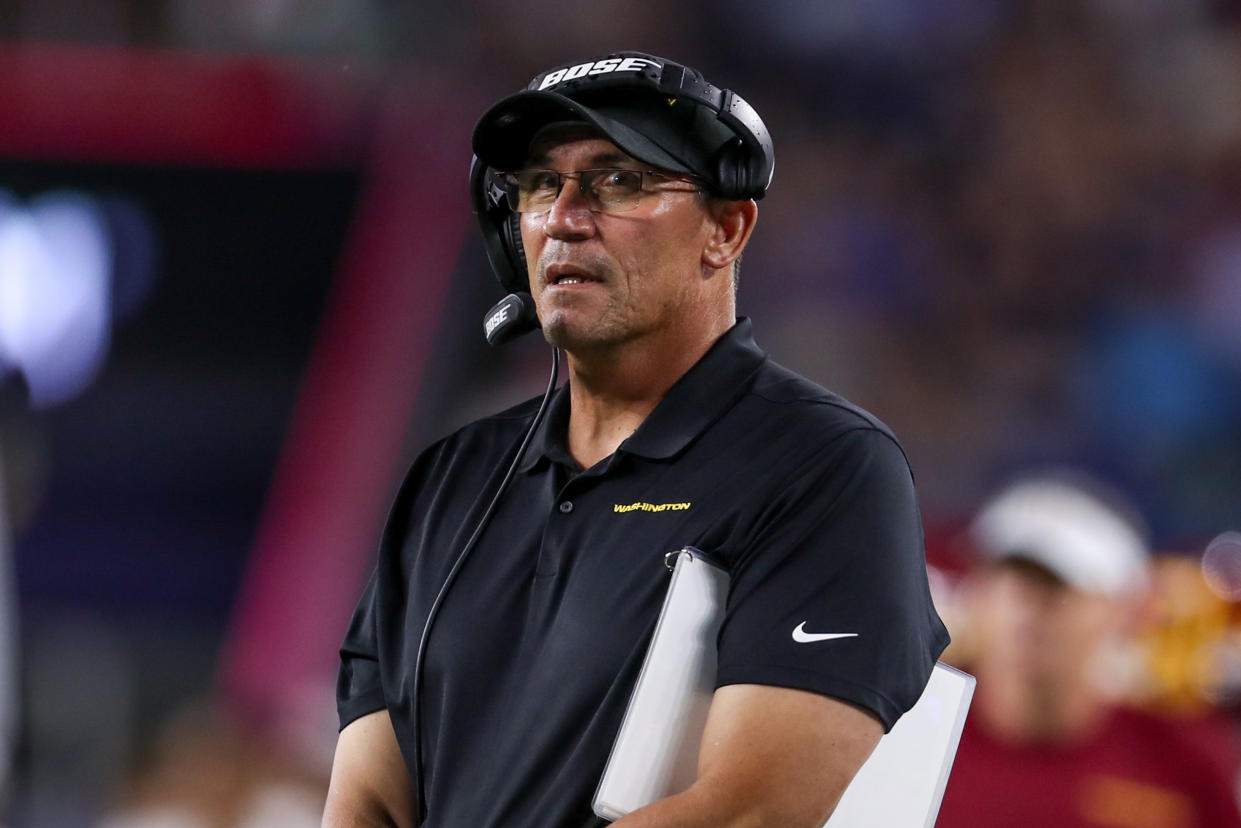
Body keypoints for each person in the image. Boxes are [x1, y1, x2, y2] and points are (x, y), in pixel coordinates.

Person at [323, 51, 948, 828]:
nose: (563, 216)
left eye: (619, 180)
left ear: (725, 230)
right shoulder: (451, 476)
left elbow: (751, 811)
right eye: (540, 185)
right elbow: (368, 799)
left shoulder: (825, 467)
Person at [937, 473, 1241, 828]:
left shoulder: (1185, 760)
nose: (1025, 609)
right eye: (1007, 579)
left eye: (1056, 588)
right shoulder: (910, 736)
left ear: (1125, 610)